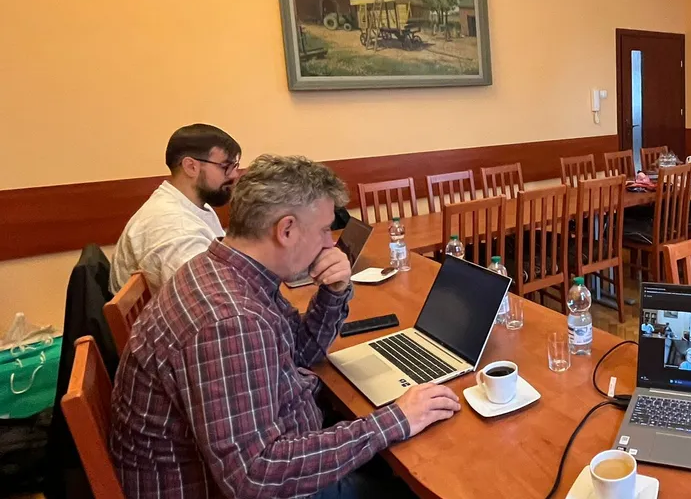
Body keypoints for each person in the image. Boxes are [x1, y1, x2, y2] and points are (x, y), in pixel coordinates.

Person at [108, 155, 462, 499]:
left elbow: (302, 352)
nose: (329, 242)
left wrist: (334, 291)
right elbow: (255, 477)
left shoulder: (224, 269)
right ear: (287, 229)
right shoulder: (231, 322)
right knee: (425, 478)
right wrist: (394, 420)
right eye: (325, 230)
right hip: (231, 484)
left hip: (267, 453)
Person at [110, 124, 242, 293]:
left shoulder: (196, 205)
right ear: (190, 167)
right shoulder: (174, 228)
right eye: (226, 167)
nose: (233, 175)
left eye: (235, 166)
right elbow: (206, 296)